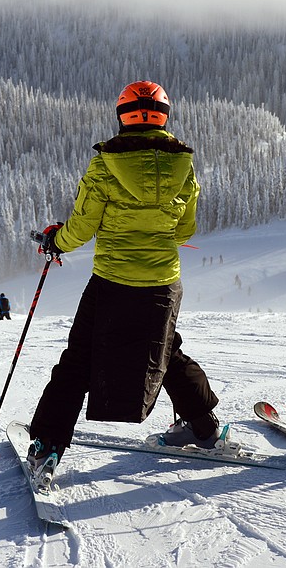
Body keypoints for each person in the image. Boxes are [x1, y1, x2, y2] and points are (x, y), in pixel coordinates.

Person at [28, 81, 222, 478]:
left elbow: (81, 228)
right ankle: (205, 429)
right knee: (166, 352)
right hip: (163, 283)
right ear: (164, 116)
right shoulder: (183, 166)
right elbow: (184, 232)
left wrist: (55, 242)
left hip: (113, 282)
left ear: (122, 117)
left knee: (79, 359)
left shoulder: (105, 164)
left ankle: (47, 447)